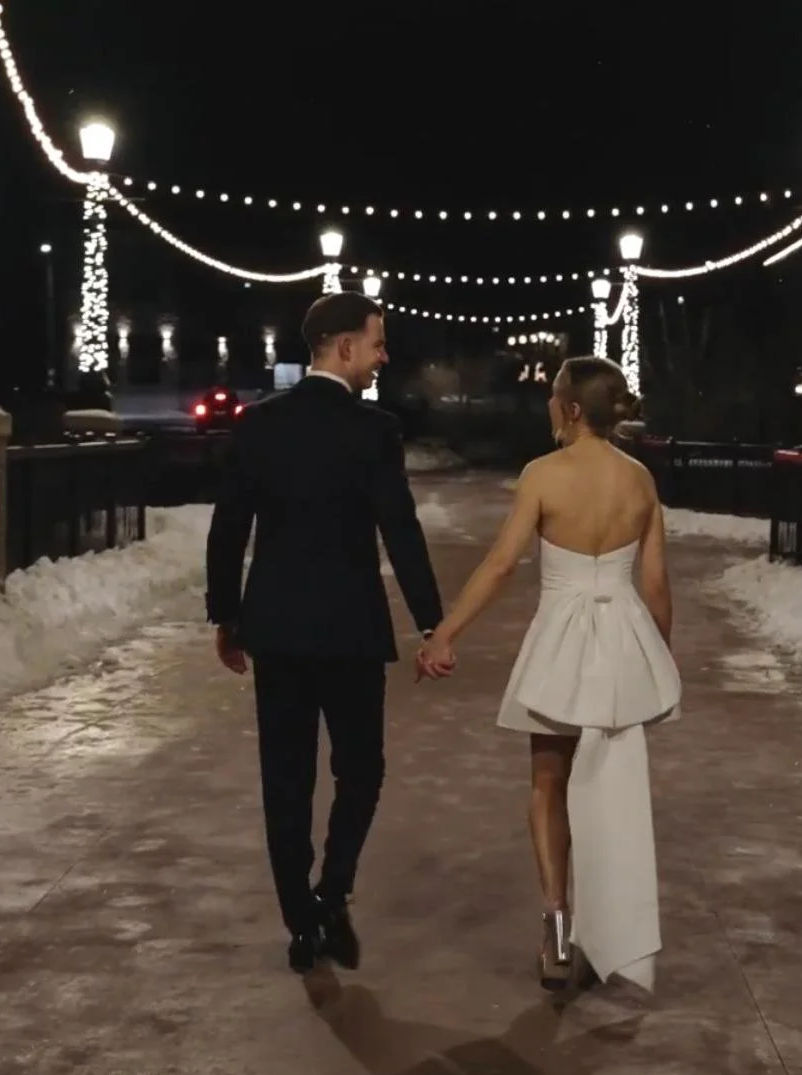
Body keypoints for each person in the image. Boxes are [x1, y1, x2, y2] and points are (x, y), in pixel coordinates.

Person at [417, 356, 679, 991]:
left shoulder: (542, 474)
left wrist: (445, 632)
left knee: (548, 782)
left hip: (561, 642)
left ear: (571, 409)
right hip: (621, 641)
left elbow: (502, 563)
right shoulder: (640, 480)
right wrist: (656, 656)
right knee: (609, 787)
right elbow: (654, 582)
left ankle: (558, 926)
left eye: (553, 395)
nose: (548, 404)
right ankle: (610, 923)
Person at [205, 292, 445, 974]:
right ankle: (333, 890)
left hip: (276, 629)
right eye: (377, 342)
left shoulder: (257, 426)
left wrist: (226, 616)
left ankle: (300, 923)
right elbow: (400, 530)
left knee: (284, 780)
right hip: (350, 631)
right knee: (360, 770)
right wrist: (432, 621)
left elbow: (229, 531)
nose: (384, 355)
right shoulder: (375, 431)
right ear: (344, 348)